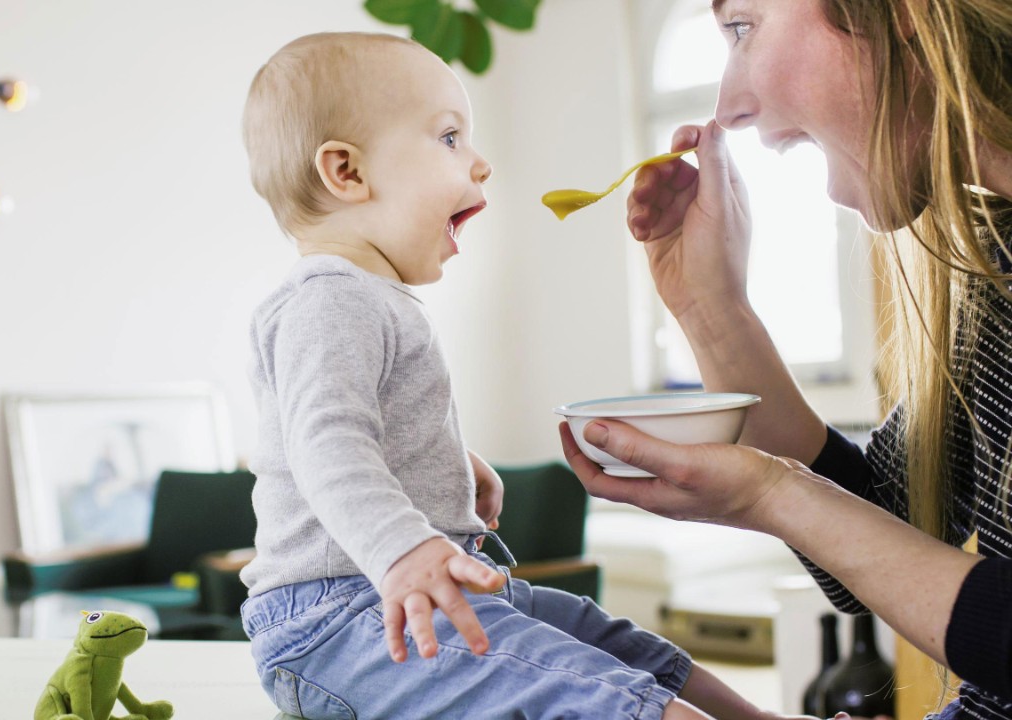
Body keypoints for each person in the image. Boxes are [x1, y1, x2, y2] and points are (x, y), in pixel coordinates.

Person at [238, 30, 815, 720]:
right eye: (450, 138)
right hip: (341, 618)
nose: (480, 165)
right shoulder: (329, 298)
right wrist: (404, 548)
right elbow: (324, 446)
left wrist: (447, 462)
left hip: (403, 587)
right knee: (579, 690)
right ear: (347, 173)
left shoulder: (366, 297)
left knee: (607, 638)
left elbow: (361, 428)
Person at [558, 1, 1012, 718]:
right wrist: (712, 310)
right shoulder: (1000, 263)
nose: (728, 107)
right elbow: (888, 528)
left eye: (742, 27)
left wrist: (772, 495)